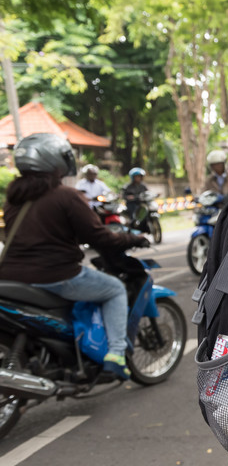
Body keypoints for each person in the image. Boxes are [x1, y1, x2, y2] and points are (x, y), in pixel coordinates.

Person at [0, 134, 150, 379]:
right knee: (114, 289)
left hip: (12, 277)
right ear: (54, 162)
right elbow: (98, 237)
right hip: (56, 275)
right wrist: (133, 238)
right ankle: (115, 356)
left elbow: (44, 232)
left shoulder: (14, 200)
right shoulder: (66, 196)